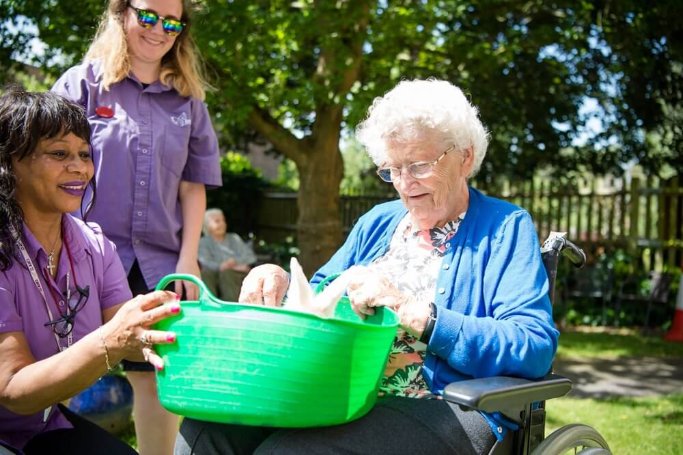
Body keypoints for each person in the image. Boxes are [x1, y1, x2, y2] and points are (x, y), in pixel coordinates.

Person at [175, 79, 560, 455]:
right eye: (393, 169)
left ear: (466, 156)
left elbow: (534, 345)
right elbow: (320, 296)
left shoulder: (504, 227)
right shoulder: (379, 221)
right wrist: (278, 281)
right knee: (207, 432)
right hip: (340, 392)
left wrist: (416, 314)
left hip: (442, 405)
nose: (405, 184)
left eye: (419, 165)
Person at [51, 1, 222, 453]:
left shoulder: (189, 102)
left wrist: (188, 260)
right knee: (63, 372)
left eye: (171, 22)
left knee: (156, 381)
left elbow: (193, 187)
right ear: (121, 14)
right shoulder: (82, 84)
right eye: (147, 16)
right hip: (80, 260)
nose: (158, 30)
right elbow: (46, 170)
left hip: (160, 265)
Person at [0, 88, 180, 454]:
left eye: (84, 154)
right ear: (10, 162)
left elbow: (133, 338)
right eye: (59, 154)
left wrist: (187, 329)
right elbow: (14, 390)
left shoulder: (95, 245)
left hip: (42, 423)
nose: (79, 168)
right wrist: (113, 339)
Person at [198, 208, 257, 301]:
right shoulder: (204, 242)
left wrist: (234, 262)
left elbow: (250, 257)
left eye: (223, 220)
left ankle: (231, 308)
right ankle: (209, 305)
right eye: (217, 221)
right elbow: (205, 261)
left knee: (227, 273)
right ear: (206, 225)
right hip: (214, 275)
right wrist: (221, 266)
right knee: (205, 273)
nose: (222, 224)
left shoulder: (234, 238)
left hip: (236, 274)